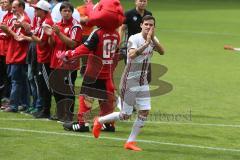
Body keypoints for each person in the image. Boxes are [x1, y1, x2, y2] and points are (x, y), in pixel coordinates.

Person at [92, 15, 165, 151]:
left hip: (143, 81)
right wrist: (146, 43)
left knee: (144, 111)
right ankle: (99, 121)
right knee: (125, 115)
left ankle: (130, 142)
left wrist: (152, 39)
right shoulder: (134, 38)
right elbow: (131, 55)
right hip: (130, 81)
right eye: (147, 24)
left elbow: (162, 52)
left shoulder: (153, 39)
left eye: (152, 25)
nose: (149, 27)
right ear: (141, 25)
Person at [58, 0, 124, 132]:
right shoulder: (116, 35)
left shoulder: (97, 33)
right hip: (107, 74)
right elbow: (116, 55)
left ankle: (82, 124)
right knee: (105, 100)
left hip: (93, 73)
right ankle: (108, 123)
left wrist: (68, 54)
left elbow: (84, 48)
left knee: (86, 97)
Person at [48, 1, 83, 122]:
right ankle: (60, 112)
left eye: (69, 11)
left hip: (69, 63)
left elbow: (73, 44)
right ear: (61, 12)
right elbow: (52, 45)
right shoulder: (57, 24)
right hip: (55, 61)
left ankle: (68, 114)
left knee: (67, 89)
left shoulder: (76, 26)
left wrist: (58, 33)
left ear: (72, 13)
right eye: (64, 11)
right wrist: (50, 36)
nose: (67, 13)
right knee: (56, 88)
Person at [0, 0, 31, 112]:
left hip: (19, 54)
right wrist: (7, 31)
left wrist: (7, 30)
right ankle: (25, 104)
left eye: (15, 7)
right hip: (14, 53)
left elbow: (18, 37)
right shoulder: (18, 19)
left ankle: (13, 105)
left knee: (16, 81)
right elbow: (11, 35)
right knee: (21, 80)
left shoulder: (24, 20)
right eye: (12, 8)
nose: (12, 10)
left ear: (21, 7)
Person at [119, 0, 152, 83]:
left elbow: (151, 30)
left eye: (144, 1)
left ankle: (141, 91)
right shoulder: (129, 14)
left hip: (145, 45)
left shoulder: (149, 14)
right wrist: (119, 43)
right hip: (132, 46)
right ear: (135, 2)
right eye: (140, 1)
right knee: (132, 73)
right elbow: (122, 29)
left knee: (147, 76)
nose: (142, 3)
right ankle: (126, 91)